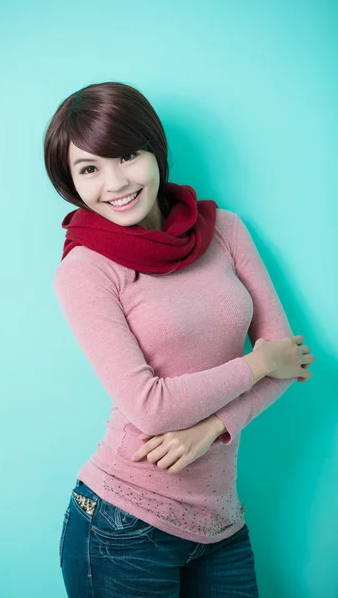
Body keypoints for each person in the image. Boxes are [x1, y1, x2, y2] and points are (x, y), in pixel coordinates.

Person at [43, 81, 314, 597]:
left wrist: (213, 428)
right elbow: (151, 407)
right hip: (122, 527)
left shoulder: (226, 230)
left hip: (222, 526)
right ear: (70, 181)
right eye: (89, 168)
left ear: (155, 151)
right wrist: (257, 364)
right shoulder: (85, 270)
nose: (116, 182)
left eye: (127, 155)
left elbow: (292, 362)